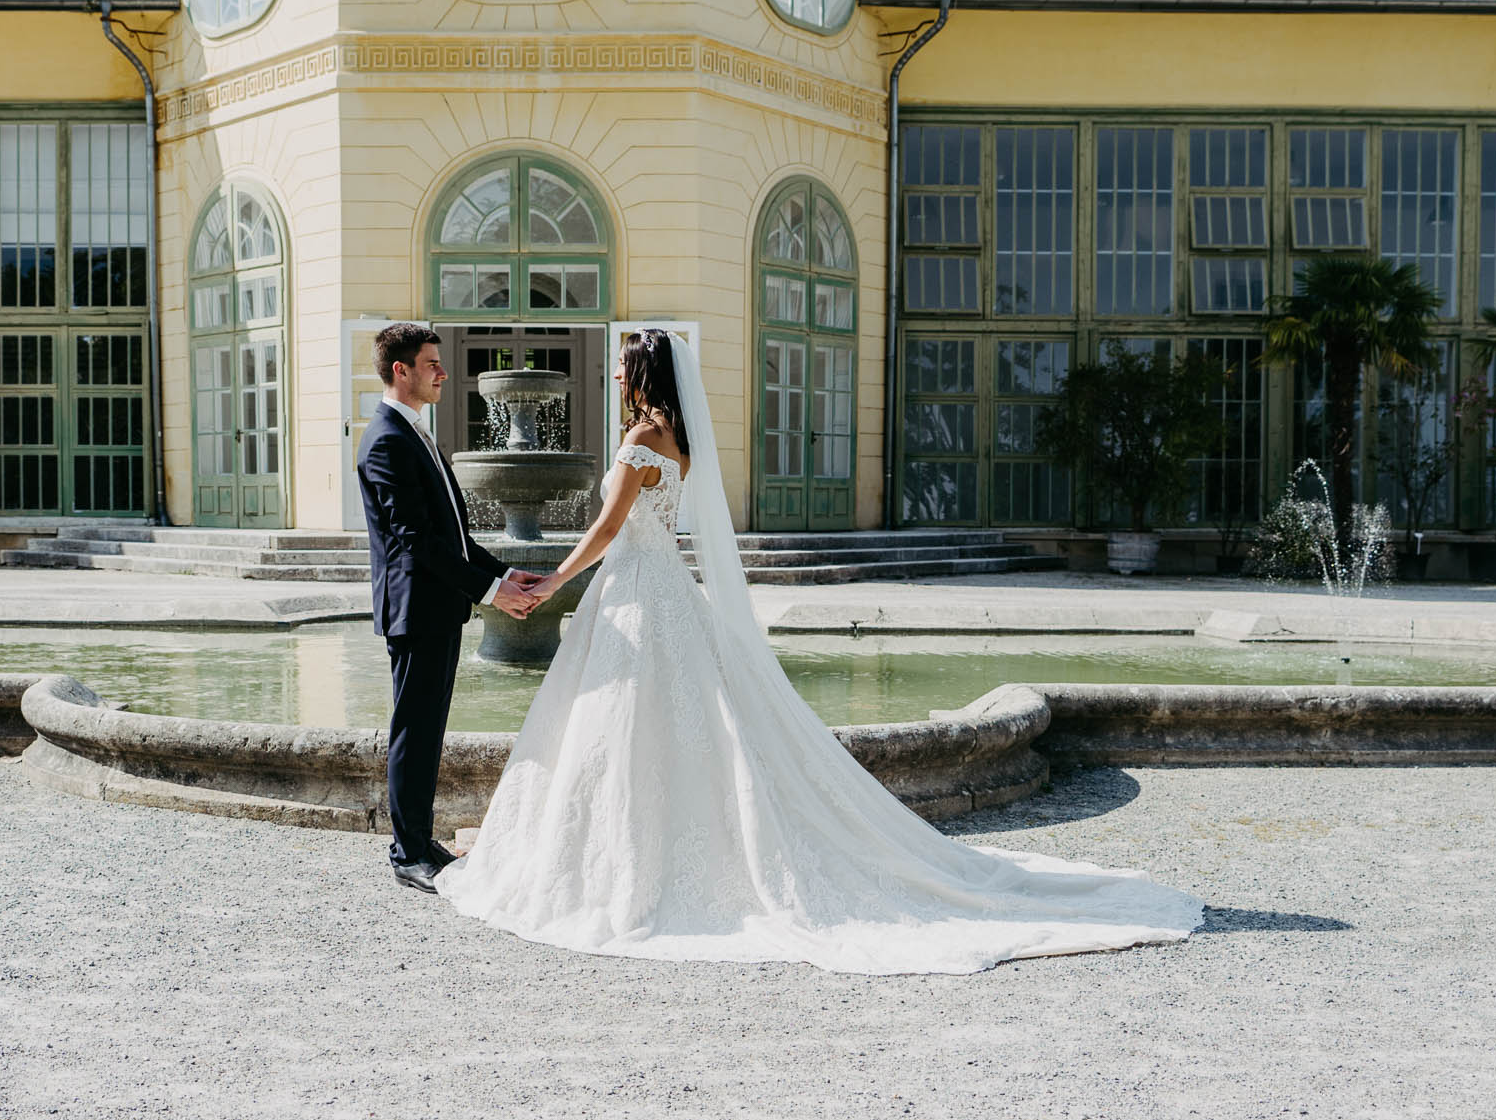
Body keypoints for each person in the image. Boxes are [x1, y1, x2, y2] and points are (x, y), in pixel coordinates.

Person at [437, 328, 1202, 973]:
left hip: (636, 591)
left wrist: (553, 582)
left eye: (619, 365)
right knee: (682, 722)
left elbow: (607, 531)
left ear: (640, 374)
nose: (611, 374)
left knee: (622, 723)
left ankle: (615, 865)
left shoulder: (641, 436)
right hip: (666, 588)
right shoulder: (682, 439)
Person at [353, 322, 544, 893]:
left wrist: (505, 572)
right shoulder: (387, 438)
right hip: (415, 610)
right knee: (413, 729)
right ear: (400, 371)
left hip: (436, 608)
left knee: (429, 728)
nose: (442, 371)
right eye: (431, 363)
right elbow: (416, 539)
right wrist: (491, 595)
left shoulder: (416, 433)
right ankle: (407, 853)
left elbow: (454, 535)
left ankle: (420, 838)